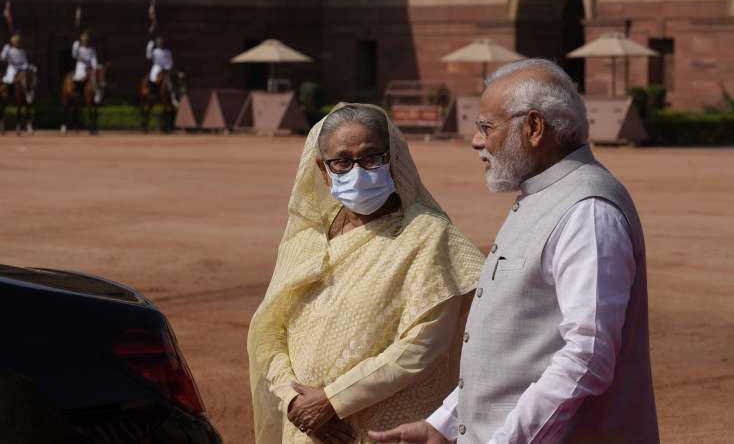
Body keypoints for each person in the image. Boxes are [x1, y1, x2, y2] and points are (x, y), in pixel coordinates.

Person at [370, 59, 659, 444]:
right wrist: (444, 424)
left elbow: (587, 356)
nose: (477, 141)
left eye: (486, 127)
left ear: (534, 127)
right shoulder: (545, 196)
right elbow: (513, 348)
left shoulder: (586, 210)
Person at [248, 103, 484, 443]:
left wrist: (333, 400)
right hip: (305, 427)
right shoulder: (306, 240)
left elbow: (423, 347)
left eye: (371, 157)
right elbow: (270, 332)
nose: (357, 171)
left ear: (394, 159)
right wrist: (295, 400)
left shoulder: (429, 236)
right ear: (323, 170)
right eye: (342, 161)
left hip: (386, 428)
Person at [145, 36, 176, 104]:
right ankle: (153, 92)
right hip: (157, 67)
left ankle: (174, 98)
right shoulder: (154, 51)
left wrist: (168, 67)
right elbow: (148, 56)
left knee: (171, 81)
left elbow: (170, 61)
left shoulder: (167, 51)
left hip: (166, 68)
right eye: (159, 43)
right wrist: (149, 46)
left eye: (161, 42)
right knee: (153, 78)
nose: (160, 44)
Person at [71, 30, 99, 103]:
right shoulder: (79, 48)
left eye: (86, 38)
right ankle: (77, 92)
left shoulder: (92, 49)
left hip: (89, 68)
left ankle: (96, 94)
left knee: (94, 78)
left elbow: (94, 59)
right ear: (81, 39)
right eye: (84, 38)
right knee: (79, 78)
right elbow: (74, 55)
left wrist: (94, 67)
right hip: (81, 67)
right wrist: (75, 46)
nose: (85, 40)